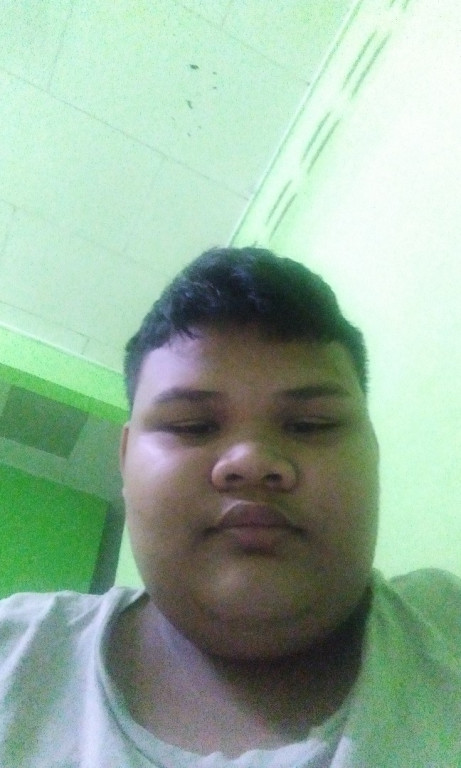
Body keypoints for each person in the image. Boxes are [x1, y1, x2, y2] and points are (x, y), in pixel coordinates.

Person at [0, 246, 460, 767]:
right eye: (194, 426)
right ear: (125, 461)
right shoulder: (15, 660)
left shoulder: (447, 628)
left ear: (372, 452)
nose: (251, 461)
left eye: (310, 425)